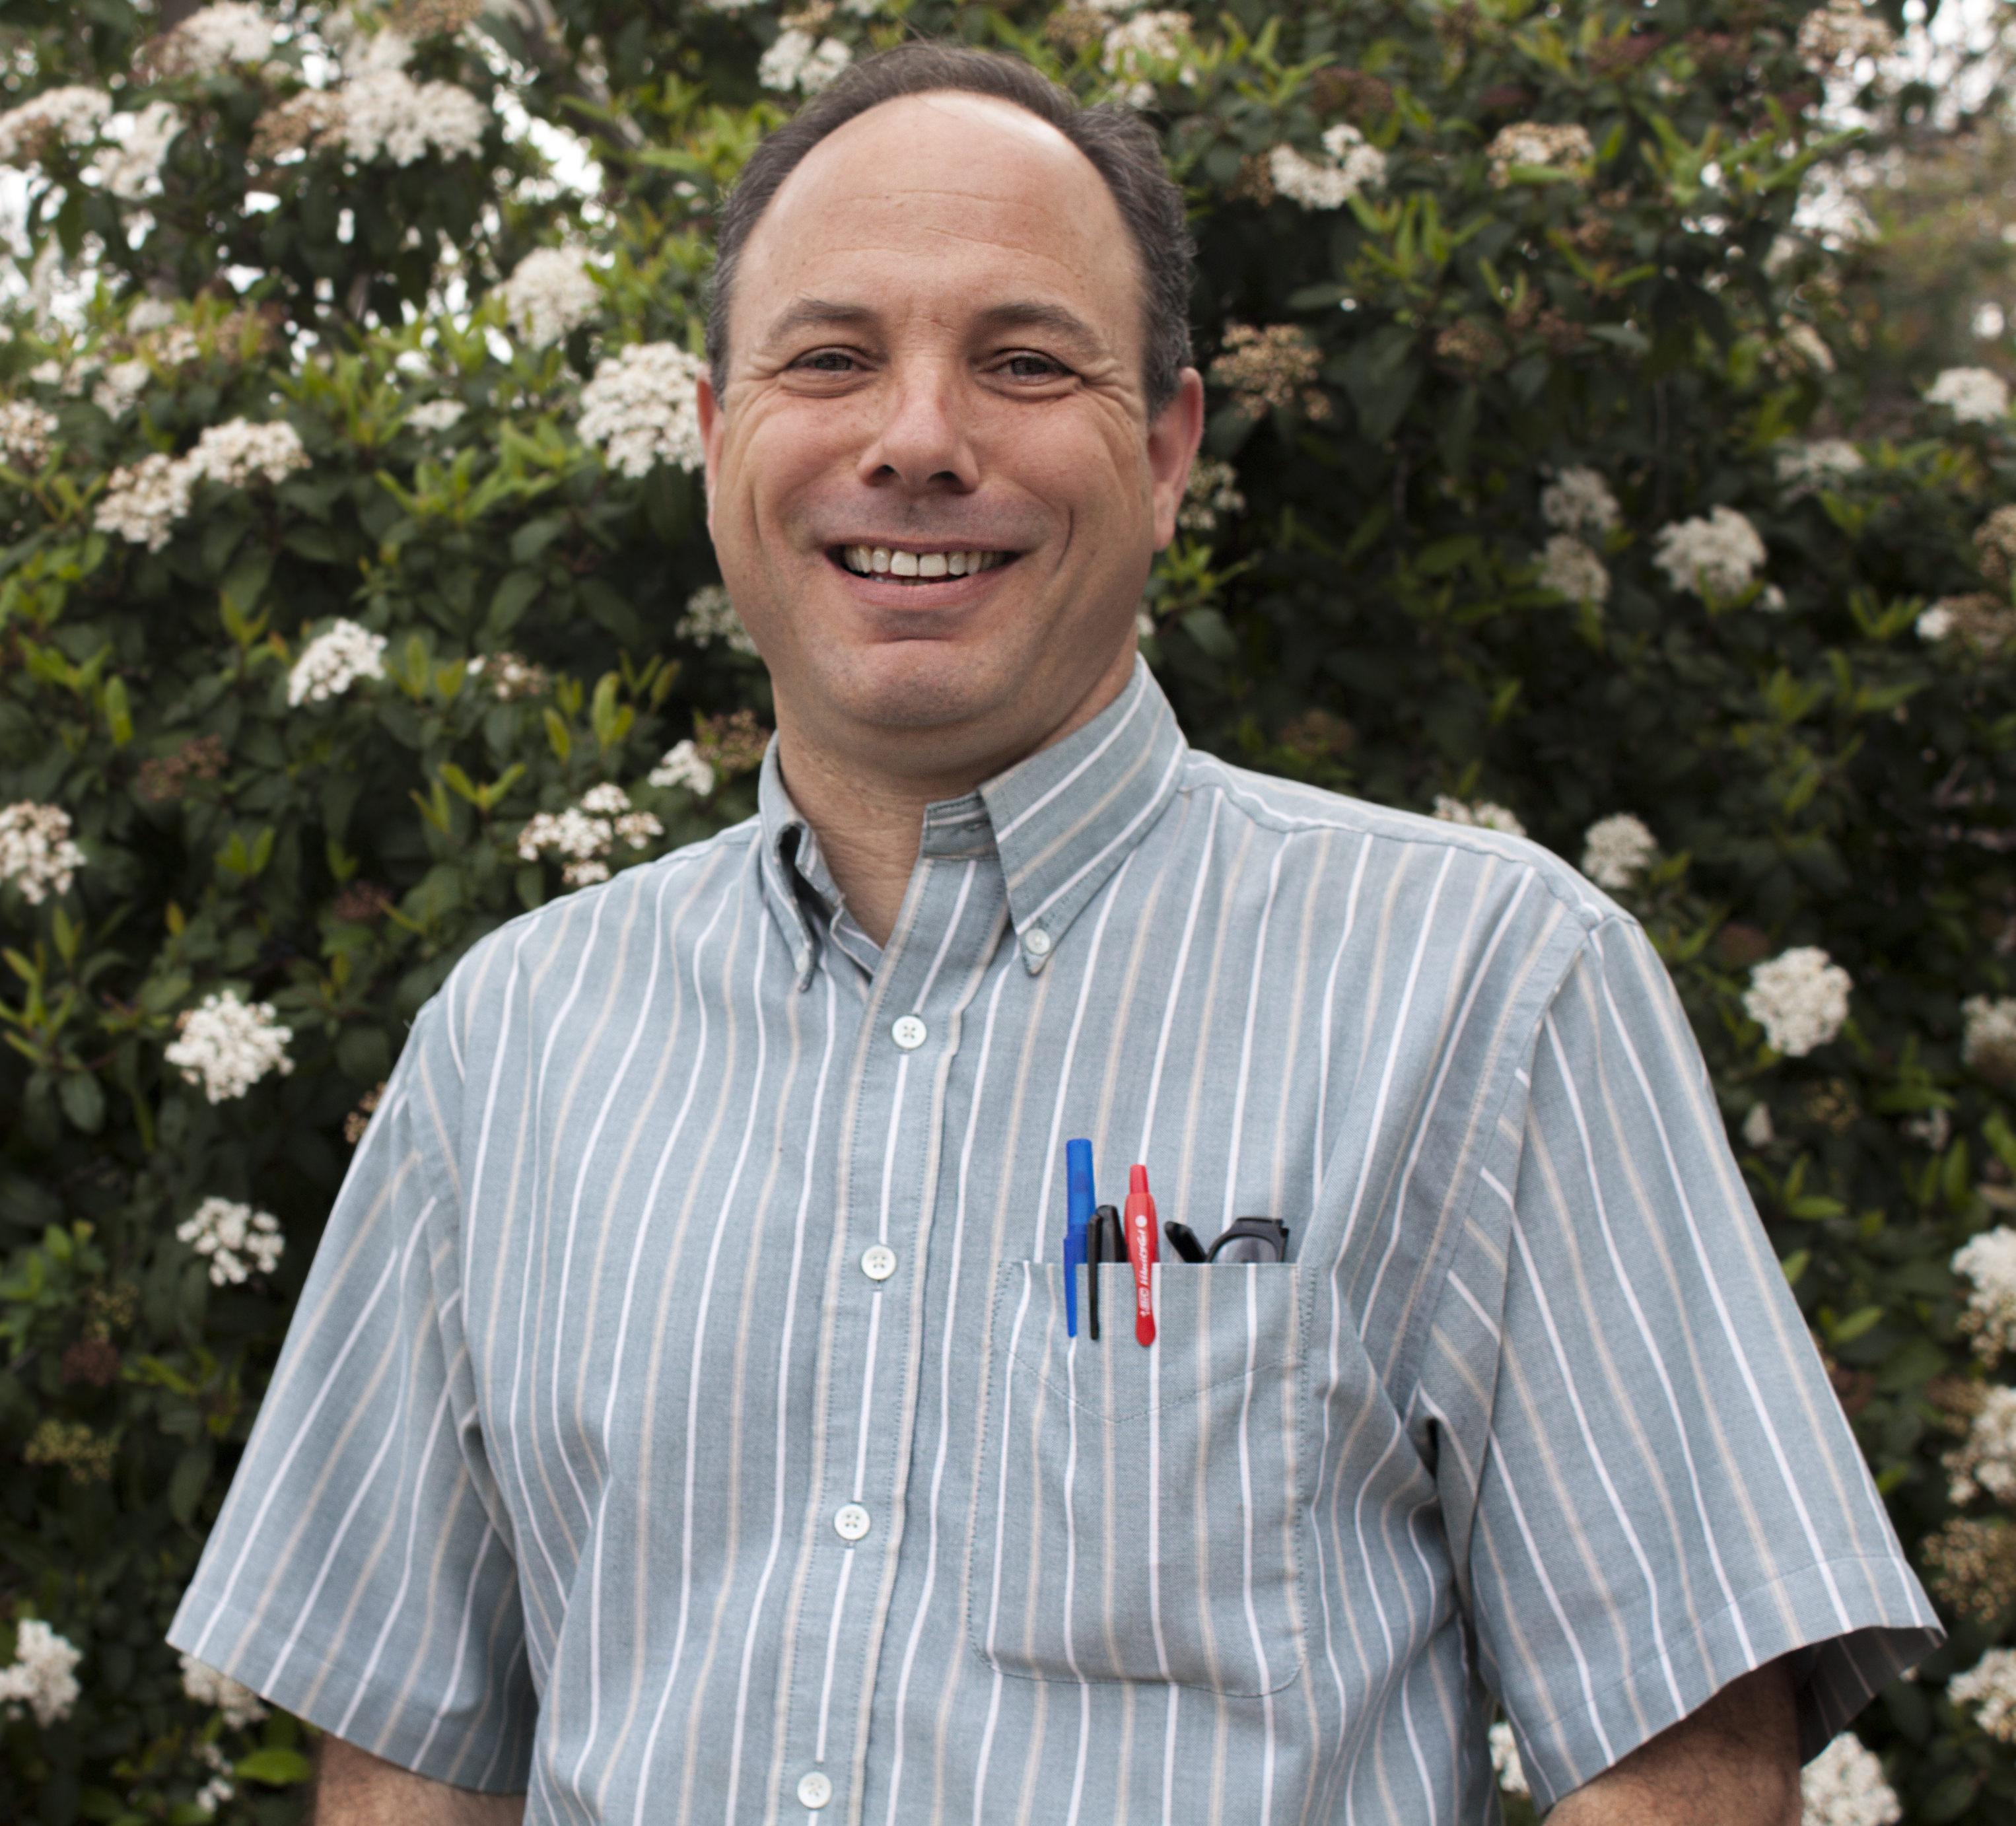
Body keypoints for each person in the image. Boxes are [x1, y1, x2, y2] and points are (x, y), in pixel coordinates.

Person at [168, 42, 1939, 1825]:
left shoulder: (1489, 988)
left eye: (1022, 362)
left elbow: (1684, 1764)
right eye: (831, 358)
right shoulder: (515, 1043)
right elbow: (408, 1758)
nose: (918, 440)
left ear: (1167, 449)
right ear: (716, 443)